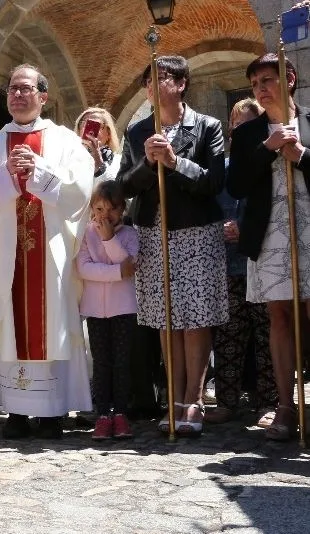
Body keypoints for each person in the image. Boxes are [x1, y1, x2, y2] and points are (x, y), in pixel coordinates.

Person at [0, 63, 94, 440]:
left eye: (25, 89)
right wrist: (5, 173)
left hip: (48, 255)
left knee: (51, 321)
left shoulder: (65, 141)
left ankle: (52, 412)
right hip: (6, 253)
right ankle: (16, 411)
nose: (17, 95)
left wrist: (37, 171)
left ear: (43, 96)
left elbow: (79, 190)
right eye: (12, 89)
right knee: (10, 321)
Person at [117, 55, 227, 437]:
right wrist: (148, 164)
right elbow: (124, 186)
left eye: (161, 78)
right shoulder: (136, 132)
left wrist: (176, 162)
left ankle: (192, 400)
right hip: (154, 232)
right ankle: (172, 397)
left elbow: (214, 182)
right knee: (166, 320)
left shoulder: (207, 126)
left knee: (194, 318)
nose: (152, 85)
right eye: (148, 80)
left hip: (195, 230)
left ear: (181, 84)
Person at [228, 53, 310, 440]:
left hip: (309, 228)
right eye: (254, 84)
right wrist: (267, 148)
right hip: (270, 232)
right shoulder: (247, 133)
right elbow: (237, 185)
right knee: (279, 315)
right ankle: (285, 406)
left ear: (289, 78)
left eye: (267, 79)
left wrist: (302, 157)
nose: (260, 89)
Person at [208, 98, 277, 426]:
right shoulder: (221, 167)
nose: (239, 130)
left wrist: (246, 228)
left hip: (262, 262)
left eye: (247, 124)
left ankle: (269, 404)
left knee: (268, 337)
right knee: (228, 336)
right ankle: (226, 401)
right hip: (227, 266)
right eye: (235, 124)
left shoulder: (271, 162)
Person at [76, 180, 138, 440]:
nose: (105, 216)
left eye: (111, 209)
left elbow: (127, 263)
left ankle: (121, 413)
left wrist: (109, 239)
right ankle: (102, 414)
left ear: (122, 209)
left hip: (123, 309)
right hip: (95, 310)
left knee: (122, 362)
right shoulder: (85, 234)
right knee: (101, 363)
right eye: (99, 209)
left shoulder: (130, 235)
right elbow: (84, 268)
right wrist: (115, 272)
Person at [75, 107, 121, 182]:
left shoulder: (119, 162)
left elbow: (114, 189)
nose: (90, 132)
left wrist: (98, 164)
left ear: (108, 134)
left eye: (96, 126)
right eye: (84, 124)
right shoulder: (69, 159)